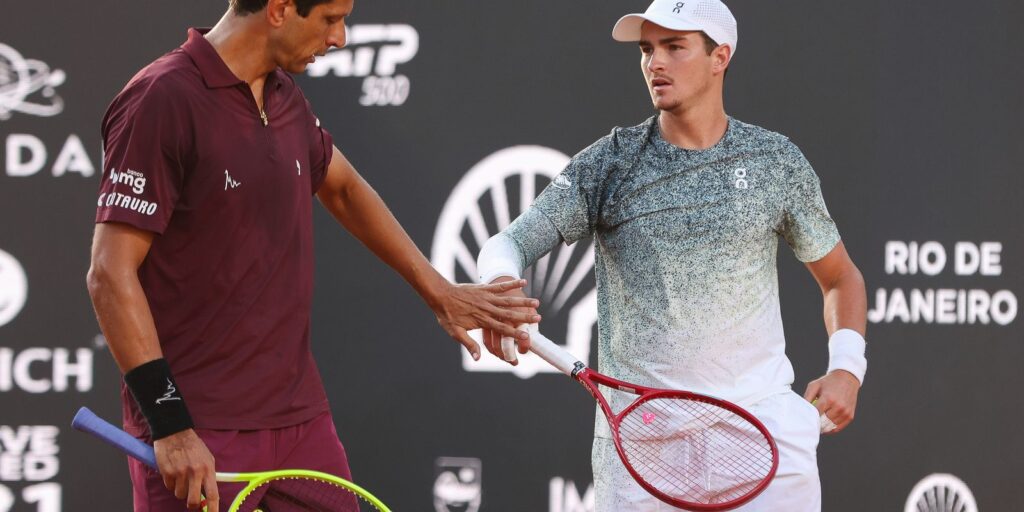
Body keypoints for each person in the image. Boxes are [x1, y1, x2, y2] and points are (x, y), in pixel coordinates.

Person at [86, 0, 541, 510]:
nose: (340, 38)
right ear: (280, 9)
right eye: (330, 19)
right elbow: (109, 273)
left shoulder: (284, 97)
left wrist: (440, 292)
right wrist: (170, 426)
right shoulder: (161, 98)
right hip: (197, 428)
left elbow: (342, 188)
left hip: (299, 422)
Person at [475, 0, 867, 510]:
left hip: (765, 433)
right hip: (643, 445)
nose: (654, 63)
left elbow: (840, 277)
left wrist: (847, 367)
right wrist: (498, 288)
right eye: (647, 49)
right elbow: (507, 244)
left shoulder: (775, 161)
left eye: (674, 47)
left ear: (719, 56)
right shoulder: (609, 164)